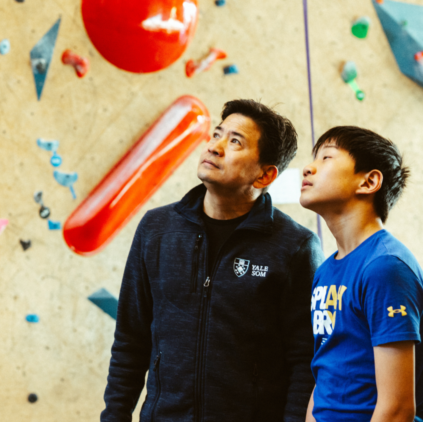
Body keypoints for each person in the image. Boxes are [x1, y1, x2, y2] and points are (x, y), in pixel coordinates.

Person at [101, 99, 324, 422]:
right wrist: (114, 416)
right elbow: (130, 339)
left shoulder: (295, 246)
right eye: (217, 135)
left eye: (235, 142)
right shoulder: (156, 229)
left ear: (265, 175)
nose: (216, 147)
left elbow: (305, 361)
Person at [300, 126, 422, 422]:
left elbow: (397, 409)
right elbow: (324, 372)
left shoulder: (386, 266)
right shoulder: (326, 270)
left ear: (369, 181)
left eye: (326, 157)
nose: (307, 168)